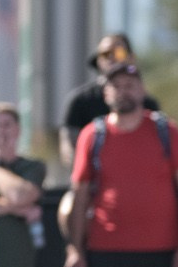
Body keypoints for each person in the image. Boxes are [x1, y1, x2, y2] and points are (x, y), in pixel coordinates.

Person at [65, 60, 178, 267]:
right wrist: (75, 248)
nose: (124, 91)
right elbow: (78, 197)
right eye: (116, 86)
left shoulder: (166, 131)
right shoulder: (92, 135)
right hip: (105, 249)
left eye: (130, 85)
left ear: (142, 90)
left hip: (162, 250)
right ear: (105, 93)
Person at [60, 33, 159, 170]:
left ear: (131, 57)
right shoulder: (79, 101)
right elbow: (69, 150)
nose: (111, 58)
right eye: (105, 54)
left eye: (118, 52)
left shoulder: (147, 104)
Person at [0, 104, 48, 267]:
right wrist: (17, 208)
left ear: (18, 130)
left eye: (7, 125)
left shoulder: (32, 167)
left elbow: (21, 194)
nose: (1, 131)